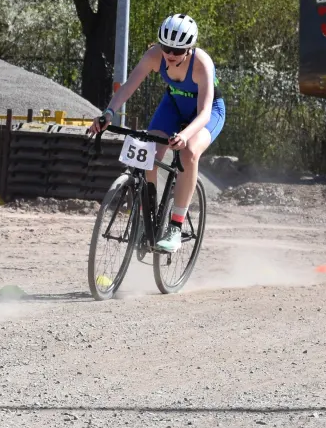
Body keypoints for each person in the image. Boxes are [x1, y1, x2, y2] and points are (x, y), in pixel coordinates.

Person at [88, 14, 225, 252]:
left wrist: (184, 135)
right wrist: (108, 113)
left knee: (189, 152)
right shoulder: (154, 55)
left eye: (177, 50)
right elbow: (129, 85)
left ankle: (175, 226)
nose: (170, 54)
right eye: (166, 48)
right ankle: (146, 217)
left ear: (189, 48)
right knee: (149, 151)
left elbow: (203, 113)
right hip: (173, 105)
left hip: (207, 112)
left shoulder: (202, 64)